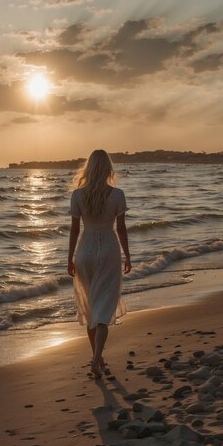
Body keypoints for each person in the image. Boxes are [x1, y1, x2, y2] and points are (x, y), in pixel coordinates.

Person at [67, 150, 131, 378]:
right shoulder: (117, 195)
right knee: (103, 309)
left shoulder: (77, 195)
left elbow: (75, 229)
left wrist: (70, 257)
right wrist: (128, 255)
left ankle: (97, 357)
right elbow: (121, 228)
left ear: (88, 168)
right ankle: (96, 359)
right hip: (108, 250)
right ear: (107, 169)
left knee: (92, 308)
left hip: (84, 252)